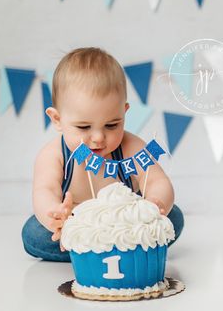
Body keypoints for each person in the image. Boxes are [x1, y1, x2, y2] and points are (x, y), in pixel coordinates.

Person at [22, 47, 184, 261]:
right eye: (83, 127)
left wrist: (155, 202)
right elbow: (45, 190)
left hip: (125, 225)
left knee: (174, 217)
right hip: (77, 227)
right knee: (34, 233)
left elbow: (156, 179)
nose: (98, 137)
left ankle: (107, 250)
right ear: (57, 120)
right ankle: (107, 251)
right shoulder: (54, 154)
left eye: (111, 124)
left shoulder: (130, 147)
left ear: (124, 113)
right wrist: (56, 215)